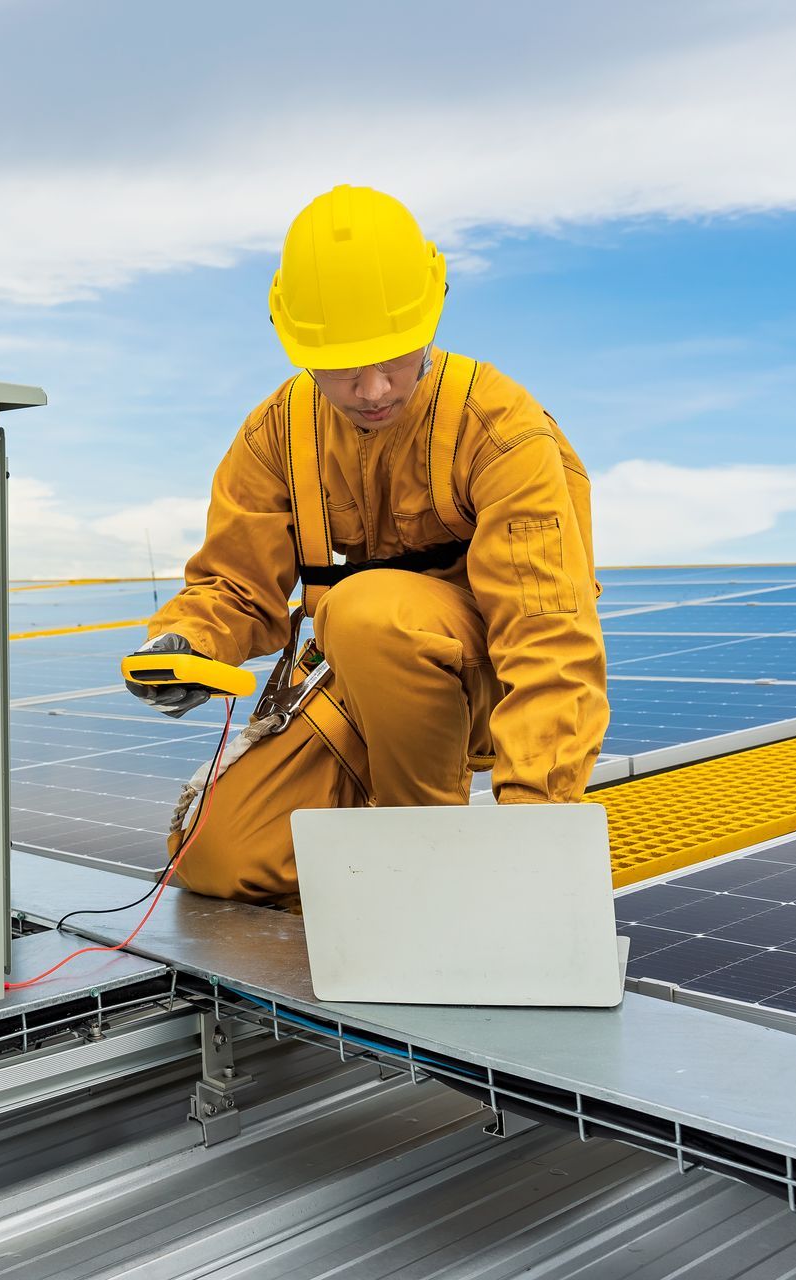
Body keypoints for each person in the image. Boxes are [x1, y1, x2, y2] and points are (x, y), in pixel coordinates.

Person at [126, 184, 609, 907]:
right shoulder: (276, 434)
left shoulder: (500, 428)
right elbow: (235, 587)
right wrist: (189, 642)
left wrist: (535, 831)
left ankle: (424, 855)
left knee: (367, 609)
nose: (374, 387)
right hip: (347, 681)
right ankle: (375, 834)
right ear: (294, 342)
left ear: (431, 317)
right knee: (219, 860)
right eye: (343, 364)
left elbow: (548, 639)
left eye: (394, 356)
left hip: (478, 684)